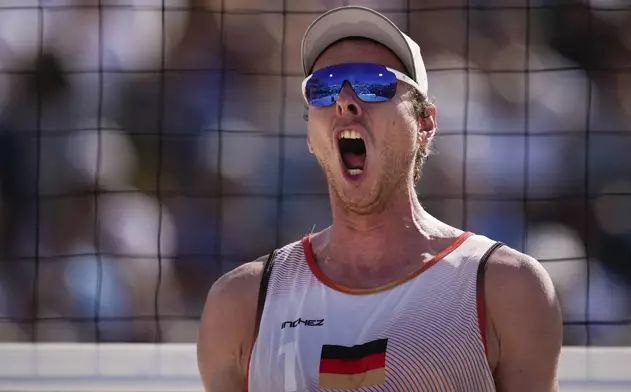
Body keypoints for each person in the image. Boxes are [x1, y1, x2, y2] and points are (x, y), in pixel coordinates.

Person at [197, 6, 562, 392]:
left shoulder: (507, 288)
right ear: (310, 135)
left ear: (425, 123)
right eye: (322, 88)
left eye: (373, 83)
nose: (345, 101)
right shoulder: (240, 305)